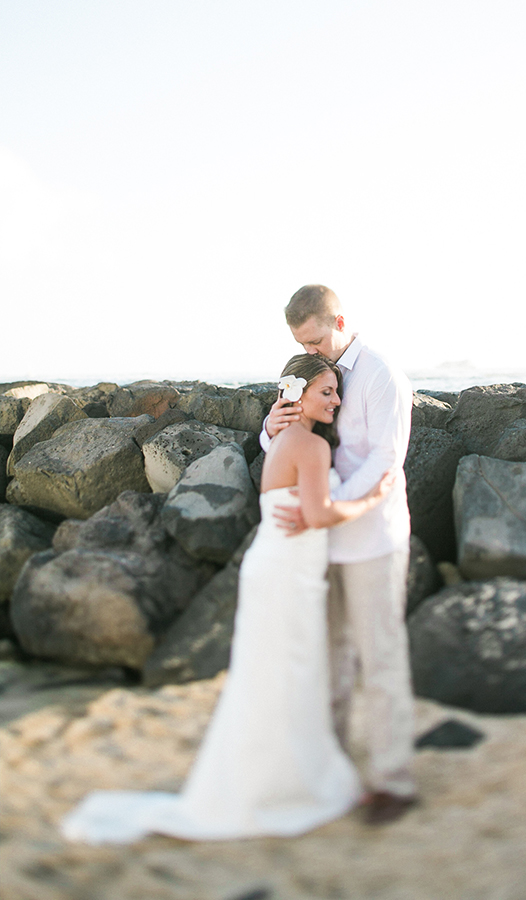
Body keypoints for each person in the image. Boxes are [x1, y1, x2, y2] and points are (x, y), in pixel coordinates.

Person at [61, 354, 395, 842]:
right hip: (286, 574)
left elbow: (300, 508)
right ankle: (287, 786)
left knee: (278, 677)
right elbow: (320, 516)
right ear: (298, 394)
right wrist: (374, 496)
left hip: (278, 569)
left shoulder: (285, 439)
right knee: (291, 675)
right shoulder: (310, 447)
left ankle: (290, 779)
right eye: (327, 392)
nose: (337, 401)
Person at [262, 284, 417, 825]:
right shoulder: (309, 369)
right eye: (303, 344)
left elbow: (385, 460)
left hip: (372, 538)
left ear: (340, 320)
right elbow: (287, 434)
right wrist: (269, 428)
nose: (313, 352)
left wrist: (325, 507)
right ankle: (330, 773)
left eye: (318, 339)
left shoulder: (381, 374)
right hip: (318, 542)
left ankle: (393, 782)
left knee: (380, 659)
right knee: (329, 660)